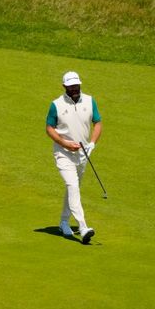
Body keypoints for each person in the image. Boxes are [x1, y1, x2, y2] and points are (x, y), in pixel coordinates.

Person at [45, 71, 102, 244]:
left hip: (83, 154)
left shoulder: (90, 101)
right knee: (72, 185)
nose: (75, 88)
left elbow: (97, 123)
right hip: (63, 154)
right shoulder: (56, 105)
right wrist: (64, 143)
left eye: (76, 85)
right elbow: (49, 128)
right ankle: (83, 227)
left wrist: (92, 143)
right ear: (65, 87)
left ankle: (63, 222)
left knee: (73, 189)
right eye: (71, 86)